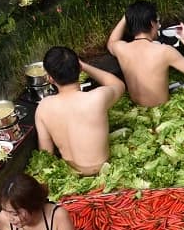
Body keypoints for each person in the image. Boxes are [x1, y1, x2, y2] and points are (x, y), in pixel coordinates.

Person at [35, 46, 125, 176]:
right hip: (102, 172)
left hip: (71, 174)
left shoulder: (43, 107)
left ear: (50, 79)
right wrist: (86, 67)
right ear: (79, 69)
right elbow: (118, 85)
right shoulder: (96, 98)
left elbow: (46, 154)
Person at [106, 0, 184, 107]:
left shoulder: (122, 48)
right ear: (151, 23)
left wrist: (127, 16)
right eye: (157, 21)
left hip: (137, 109)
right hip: (162, 110)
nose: (158, 25)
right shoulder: (164, 51)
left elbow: (111, 42)